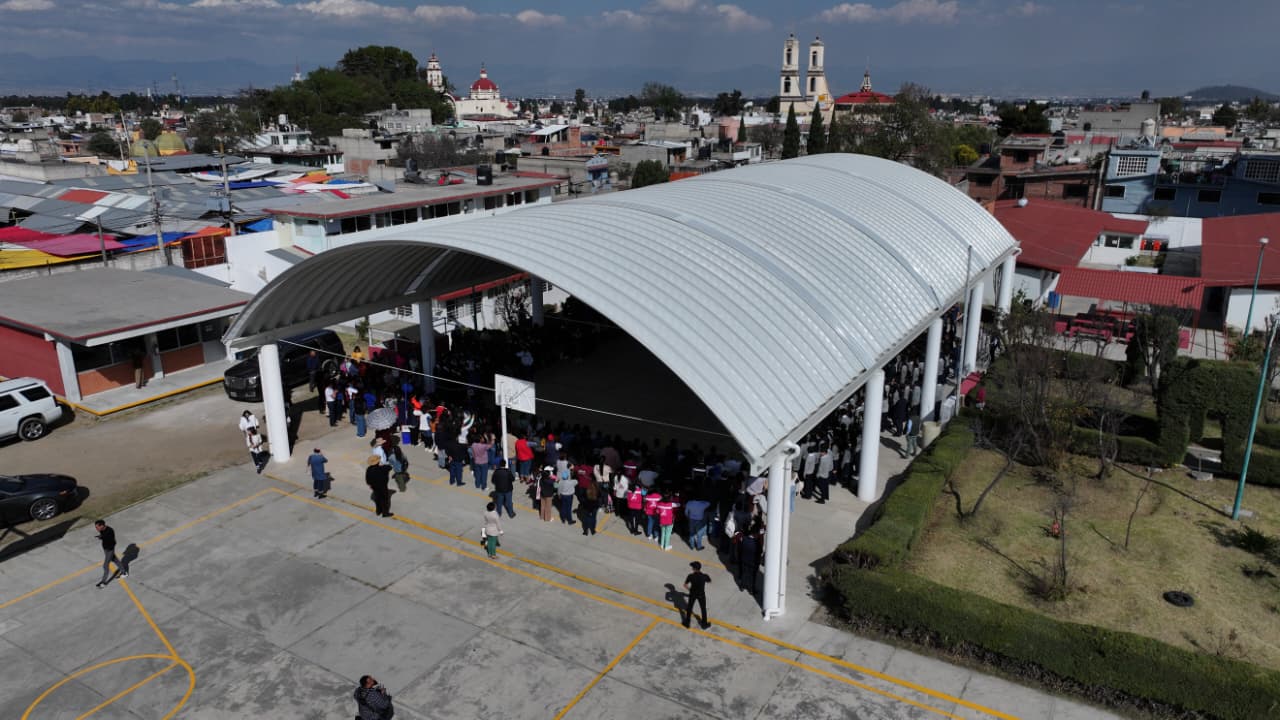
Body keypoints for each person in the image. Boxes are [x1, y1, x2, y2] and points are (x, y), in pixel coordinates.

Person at [94, 519, 128, 587]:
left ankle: (103, 582)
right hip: (106, 549)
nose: (96, 529)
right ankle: (124, 573)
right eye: (96, 527)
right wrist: (100, 537)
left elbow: (113, 542)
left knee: (105, 565)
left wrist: (110, 551)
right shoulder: (102, 530)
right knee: (116, 560)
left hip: (109, 550)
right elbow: (103, 536)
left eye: (97, 527)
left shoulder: (109, 531)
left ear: (102, 526)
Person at [682, 561, 711, 629]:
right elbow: (709, 581)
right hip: (701, 594)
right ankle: (704, 624)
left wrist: (690, 590)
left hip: (693, 594)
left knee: (689, 608)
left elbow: (685, 585)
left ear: (694, 568)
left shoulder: (690, 576)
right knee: (703, 609)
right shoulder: (704, 576)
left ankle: (687, 623)